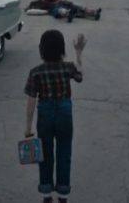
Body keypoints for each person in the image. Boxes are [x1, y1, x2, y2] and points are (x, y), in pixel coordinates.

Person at [24, 31, 87, 203]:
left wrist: (28, 127)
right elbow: (80, 76)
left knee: (45, 154)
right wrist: (79, 53)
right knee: (64, 153)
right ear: (62, 49)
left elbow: (31, 101)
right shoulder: (67, 67)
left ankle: (46, 195)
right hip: (64, 112)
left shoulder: (35, 72)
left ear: (41, 49)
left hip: (44, 113)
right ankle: (63, 195)